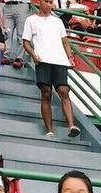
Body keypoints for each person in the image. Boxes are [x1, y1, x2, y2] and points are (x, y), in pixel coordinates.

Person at [23, 0, 80, 138]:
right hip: (43, 60)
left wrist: (69, 57)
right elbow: (26, 42)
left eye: (51, 2)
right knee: (46, 93)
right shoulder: (31, 20)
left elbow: (65, 41)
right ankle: (49, 130)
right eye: (47, 1)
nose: (50, 4)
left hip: (59, 60)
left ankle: (71, 125)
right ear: (40, 2)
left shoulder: (58, 21)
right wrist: (33, 55)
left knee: (63, 90)